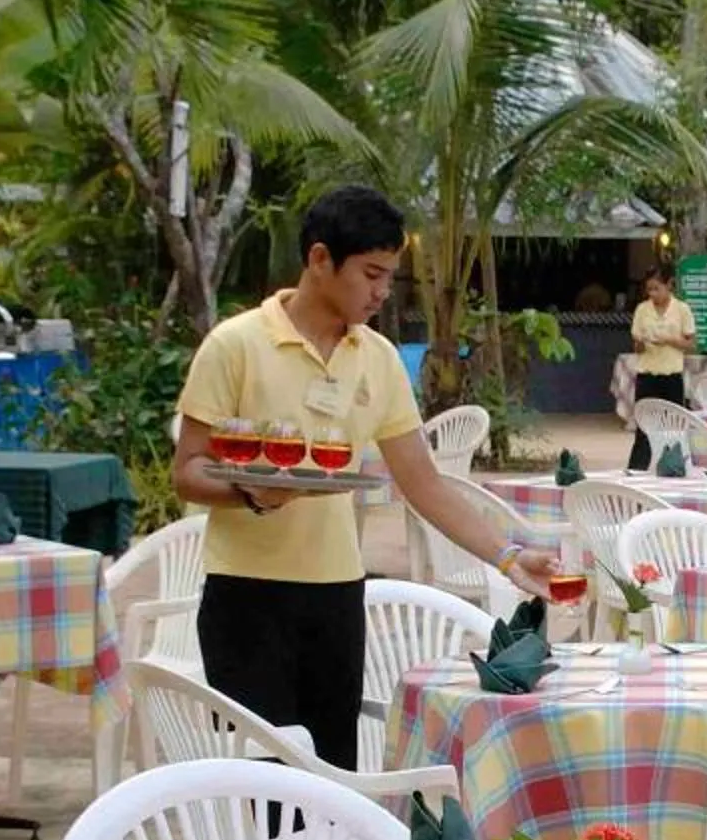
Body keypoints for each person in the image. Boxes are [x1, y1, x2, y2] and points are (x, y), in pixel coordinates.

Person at [169, 187, 555, 767]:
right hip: (246, 597)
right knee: (263, 785)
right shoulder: (235, 345)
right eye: (371, 274)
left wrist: (508, 558)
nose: (381, 292)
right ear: (320, 259)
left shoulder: (377, 357)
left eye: (389, 277)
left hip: (337, 597)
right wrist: (250, 493)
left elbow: (424, 483)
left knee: (332, 779)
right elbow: (188, 471)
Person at [624, 269, 696, 472]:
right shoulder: (642, 310)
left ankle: (673, 465)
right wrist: (642, 342)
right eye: (649, 290)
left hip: (671, 375)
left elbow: (690, 344)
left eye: (656, 289)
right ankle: (638, 468)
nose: (653, 294)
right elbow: (636, 346)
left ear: (668, 285)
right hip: (647, 374)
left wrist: (670, 340)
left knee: (673, 426)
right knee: (644, 426)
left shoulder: (681, 309)